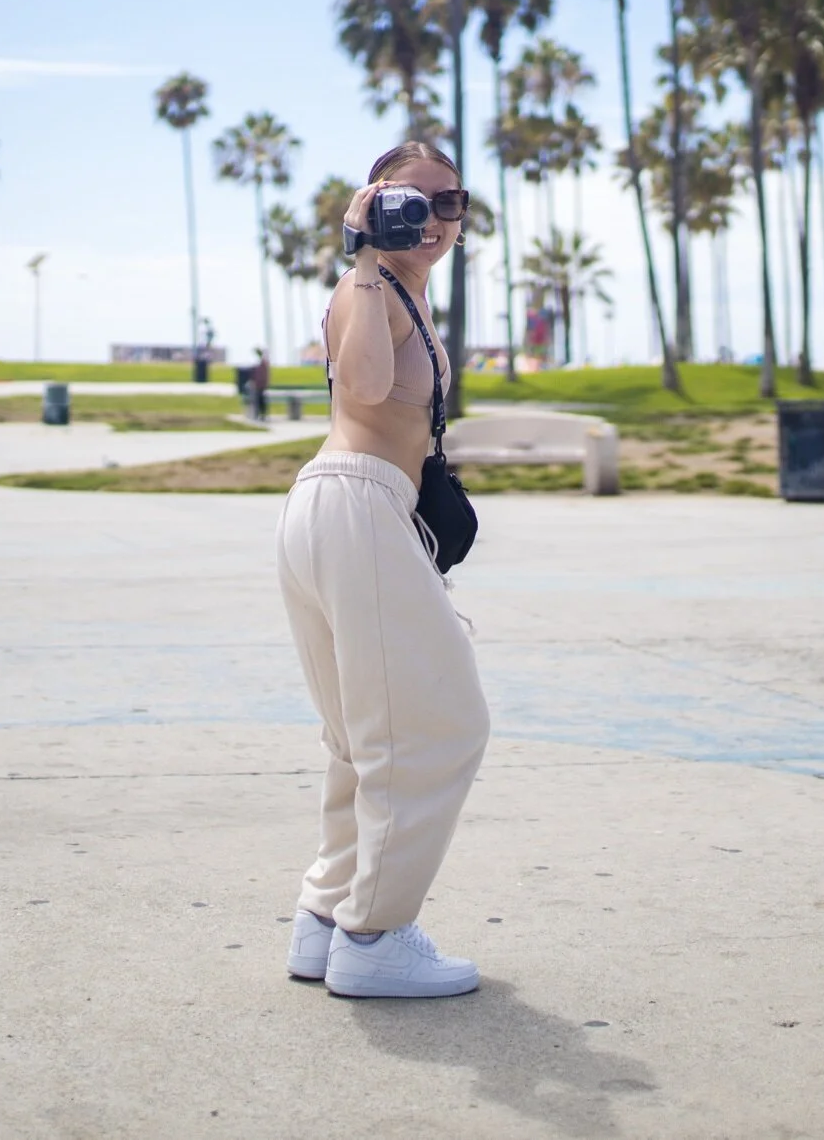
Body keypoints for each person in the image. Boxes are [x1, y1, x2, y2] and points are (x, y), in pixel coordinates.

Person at [277, 140, 487, 1001]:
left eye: (450, 202)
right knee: (441, 725)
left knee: (361, 737)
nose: (432, 220)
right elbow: (362, 390)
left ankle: (327, 920)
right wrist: (362, 253)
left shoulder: (409, 295)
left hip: (347, 513)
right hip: (353, 504)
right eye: (409, 202)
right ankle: (376, 933)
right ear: (372, 204)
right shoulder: (369, 289)